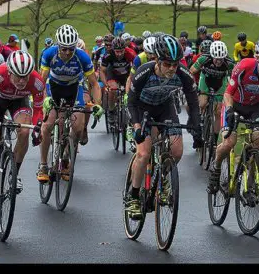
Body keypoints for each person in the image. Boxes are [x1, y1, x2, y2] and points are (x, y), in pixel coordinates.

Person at [123, 34, 201, 219]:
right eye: (167, 64)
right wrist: (136, 126)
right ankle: (133, 196)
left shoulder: (182, 73)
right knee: (144, 153)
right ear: (156, 59)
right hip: (142, 109)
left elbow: (193, 99)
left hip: (165, 108)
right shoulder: (144, 72)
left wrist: (195, 121)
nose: (172, 69)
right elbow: (131, 102)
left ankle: (163, 180)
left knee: (176, 151)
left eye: (175, 64)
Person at [207, 39, 259, 194]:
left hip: (256, 107)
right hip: (234, 104)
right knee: (229, 142)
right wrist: (230, 110)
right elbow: (228, 93)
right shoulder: (244, 66)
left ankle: (250, 185)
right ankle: (216, 166)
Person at [0, 51, 45, 210]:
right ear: (9, 72)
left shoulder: (37, 81)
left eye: (25, 77)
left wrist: (37, 128)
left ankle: (14, 174)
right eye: (18, 76)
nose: (21, 81)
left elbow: (38, 110)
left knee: (25, 132)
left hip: (19, 103)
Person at [37, 24, 101, 182]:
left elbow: (93, 83)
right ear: (58, 45)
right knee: (47, 125)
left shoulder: (82, 57)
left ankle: (65, 157)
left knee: (78, 127)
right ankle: (44, 165)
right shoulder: (49, 53)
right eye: (64, 49)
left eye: (71, 49)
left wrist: (97, 103)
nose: (67, 52)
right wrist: (44, 98)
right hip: (53, 87)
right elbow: (41, 80)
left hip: (74, 88)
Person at [190, 41, 234, 146]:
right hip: (205, 81)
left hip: (220, 83)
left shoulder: (229, 63)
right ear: (211, 55)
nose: (218, 61)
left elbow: (233, 80)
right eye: (216, 59)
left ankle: (214, 139)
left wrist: (230, 90)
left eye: (221, 59)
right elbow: (191, 72)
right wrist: (193, 86)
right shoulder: (204, 59)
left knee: (218, 111)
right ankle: (200, 122)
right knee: (202, 103)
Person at [100, 37, 137, 125]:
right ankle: (111, 111)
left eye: (121, 51)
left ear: (125, 49)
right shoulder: (108, 55)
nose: (119, 54)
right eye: (117, 51)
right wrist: (106, 84)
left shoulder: (131, 53)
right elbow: (102, 71)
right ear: (113, 50)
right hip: (113, 74)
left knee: (132, 90)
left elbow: (137, 68)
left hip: (126, 74)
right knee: (113, 90)